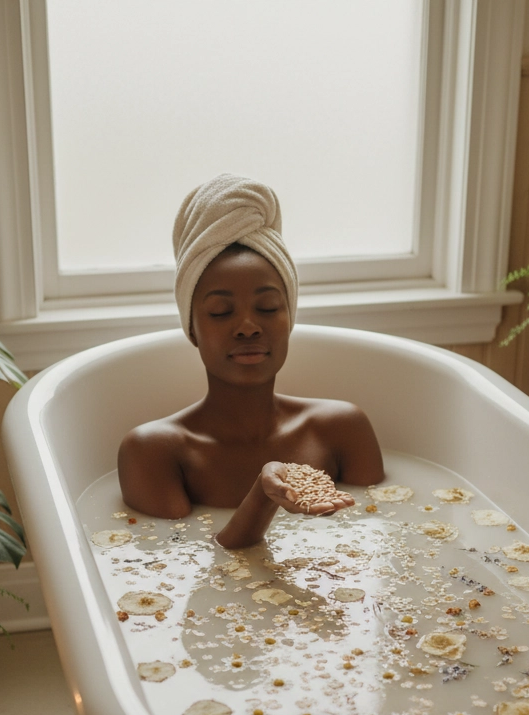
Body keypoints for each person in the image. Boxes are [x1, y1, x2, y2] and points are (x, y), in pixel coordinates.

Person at [118, 174, 384, 549]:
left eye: (268, 307)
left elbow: (383, 536)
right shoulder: (154, 451)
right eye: (220, 312)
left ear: (289, 318)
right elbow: (186, 574)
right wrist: (263, 494)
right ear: (191, 328)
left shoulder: (341, 430)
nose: (247, 327)